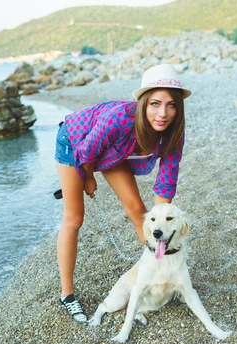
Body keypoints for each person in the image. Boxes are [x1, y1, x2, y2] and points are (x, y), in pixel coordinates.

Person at [54, 64, 192, 323]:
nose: (163, 113)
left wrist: (161, 229)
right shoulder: (119, 119)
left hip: (113, 150)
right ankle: (67, 295)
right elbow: (87, 150)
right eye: (155, 104)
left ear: (178, 108)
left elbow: (165, 187)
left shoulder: (174, 133)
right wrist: (89, 177)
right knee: (74, 219)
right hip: (76, 142)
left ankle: (158, 269)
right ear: (142, 103)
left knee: (141, 213)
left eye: (171, 105)